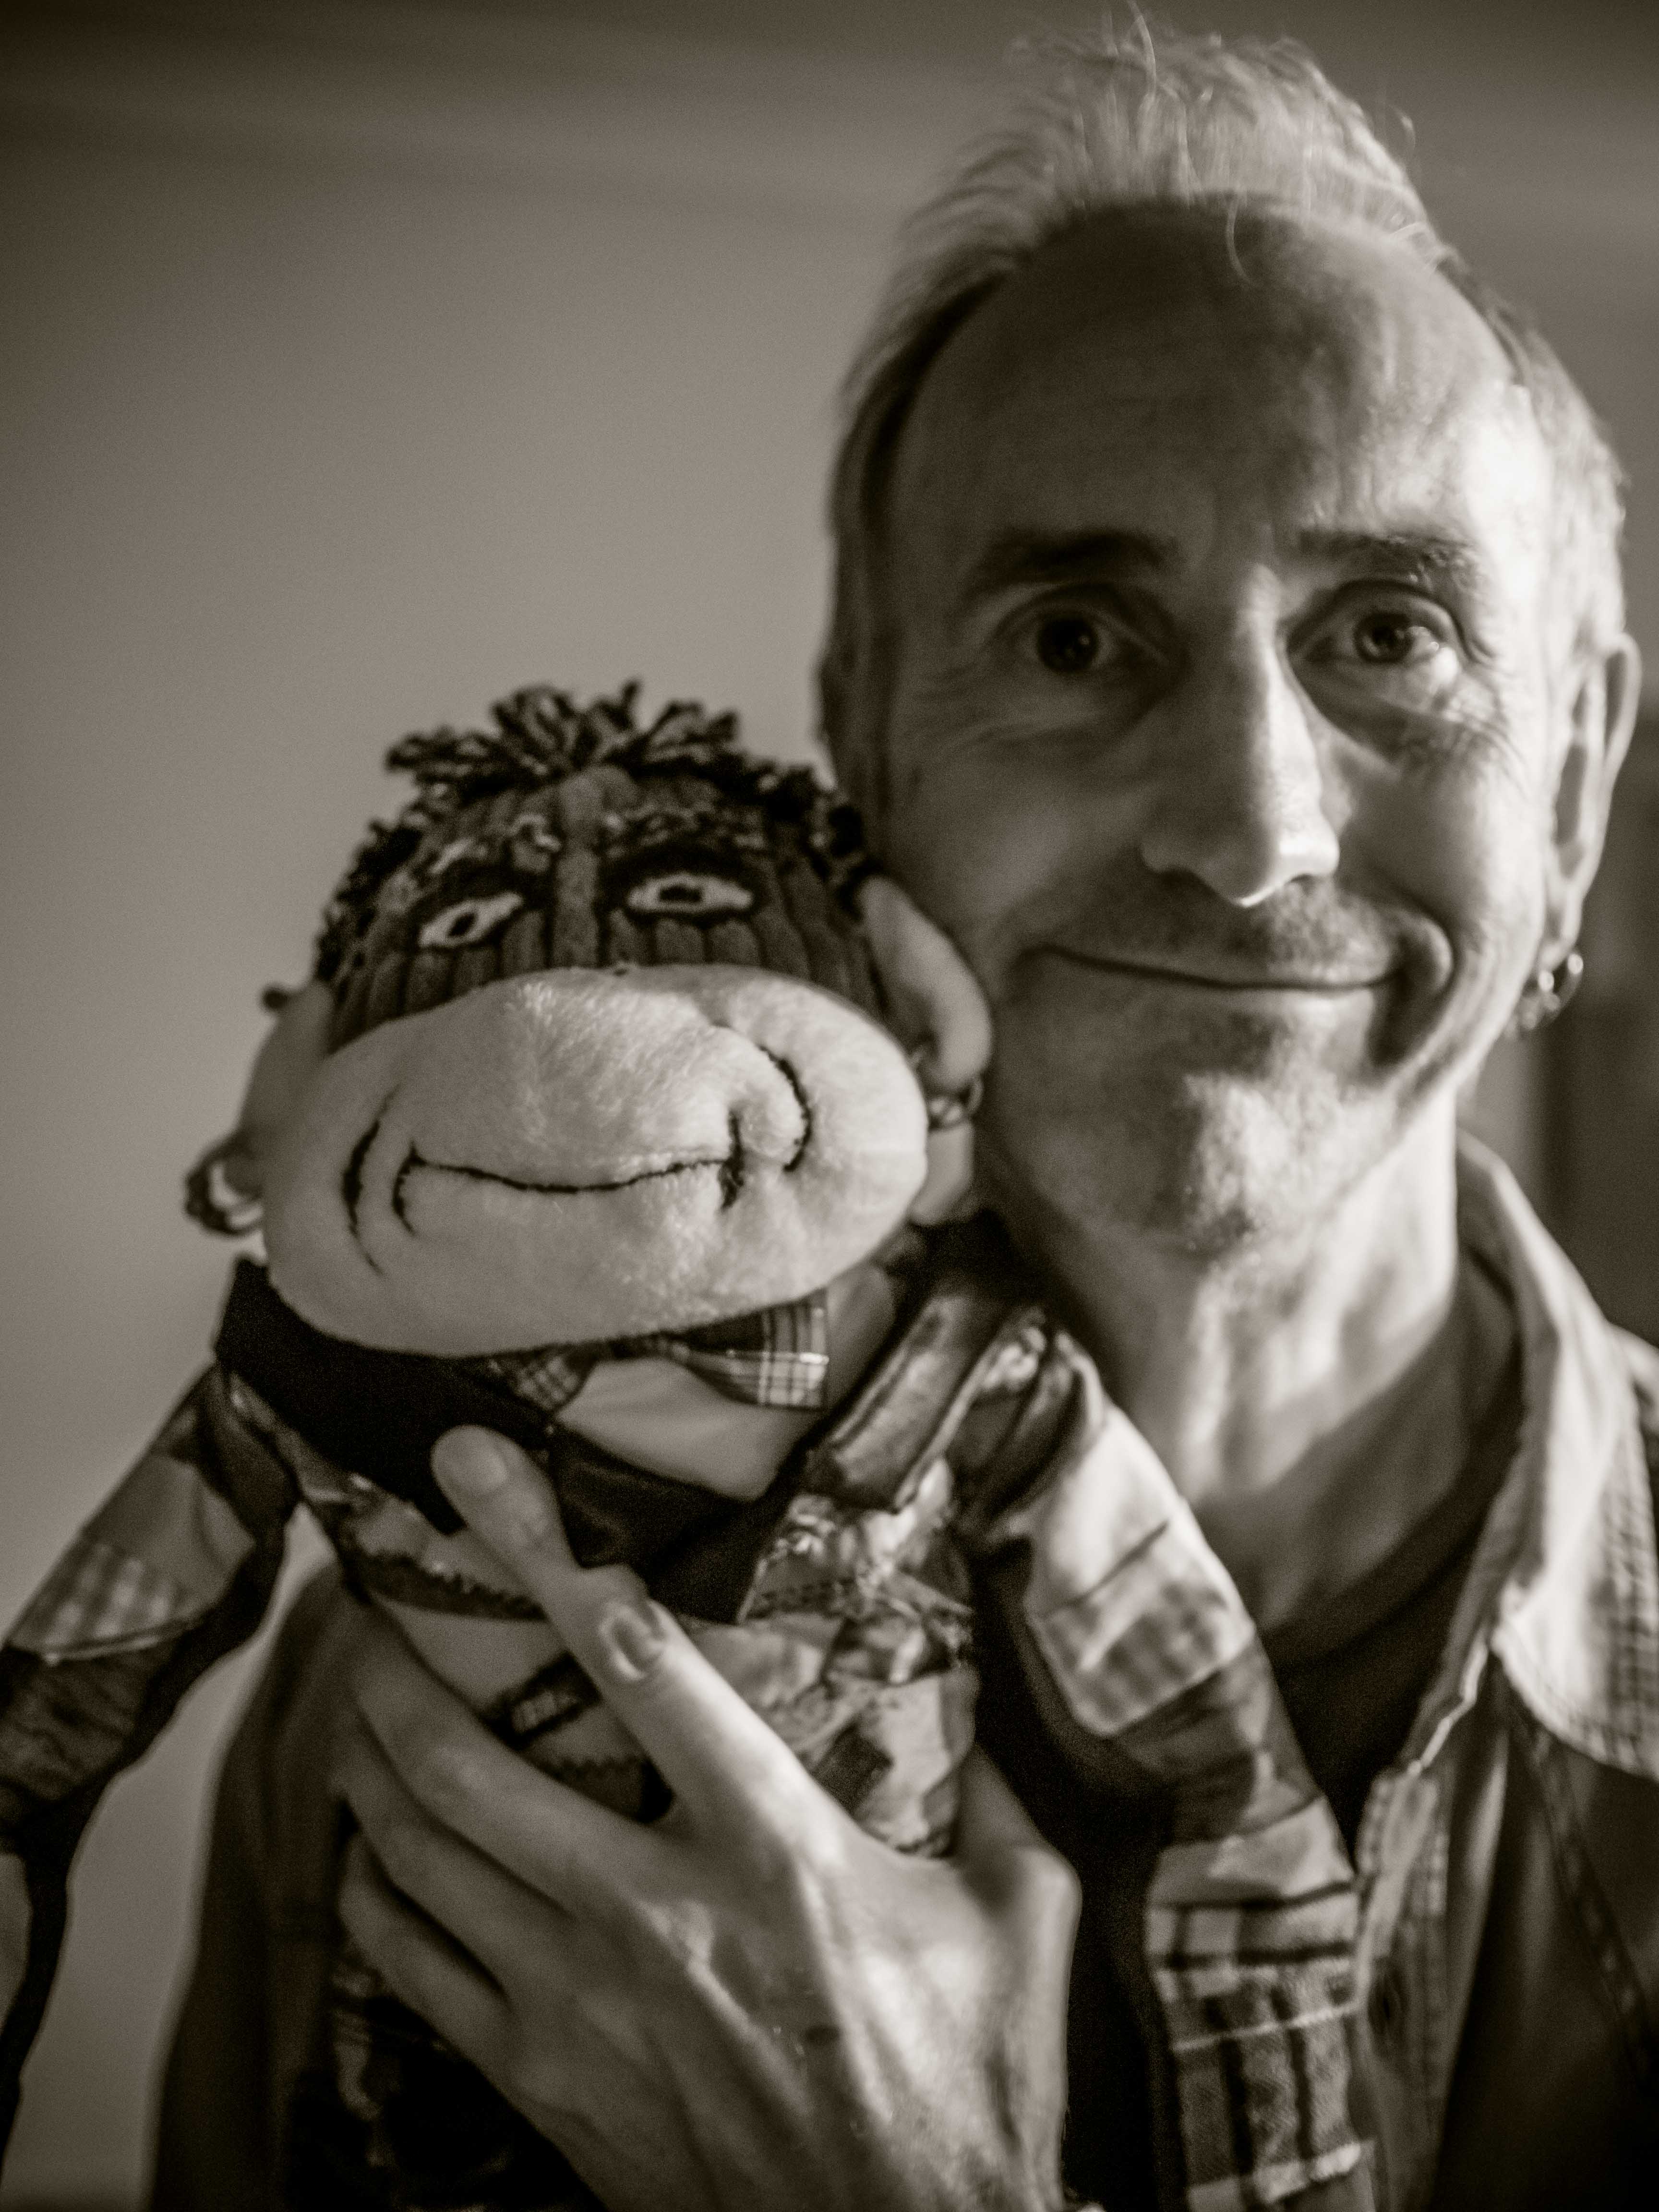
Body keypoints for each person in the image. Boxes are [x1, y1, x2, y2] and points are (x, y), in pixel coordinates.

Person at [148, 24, 1657, 2212]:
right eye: (1073, 638)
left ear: (1578, 787)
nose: (1250, 833)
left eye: (1393, 636)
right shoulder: (442, 1664)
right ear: (861, 740)